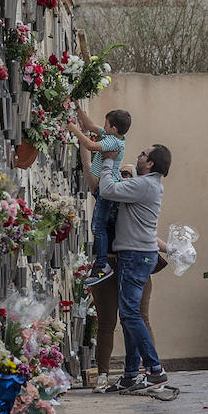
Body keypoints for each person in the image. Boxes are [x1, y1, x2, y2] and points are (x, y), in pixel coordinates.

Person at [96, 142, 172, 392]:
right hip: (138, 255)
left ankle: (155, 370)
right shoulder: (149, 185)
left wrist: (108, 160)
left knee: (130, 314)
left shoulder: (145, 184)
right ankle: (130, 374)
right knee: (130, 315)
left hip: (135, 256)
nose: (139, 156)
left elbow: (106, 189)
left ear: (150, 163)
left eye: (143, 154)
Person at [68, 108, 132, 287]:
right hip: (104, 188)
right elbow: (89, 125)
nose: (102, 126)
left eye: (105, 124)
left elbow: (90, 146)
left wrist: (73, 130)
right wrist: (78, 109)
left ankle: (102, 264)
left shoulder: (112, 142)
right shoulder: (114, 136)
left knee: (98, 227)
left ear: (113, 127)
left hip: (107, 190)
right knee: (98, 226)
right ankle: (101, 264)